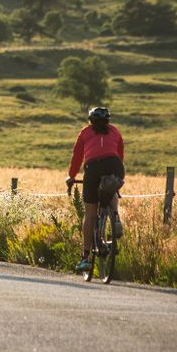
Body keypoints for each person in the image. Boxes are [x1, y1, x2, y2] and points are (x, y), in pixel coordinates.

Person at [65, 106, 125, 272]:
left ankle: (85, 257)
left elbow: (77, 156)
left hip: (93, 168)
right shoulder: (115, 131)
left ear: (90, 121)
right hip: (115, 165)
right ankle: (115, 218)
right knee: (110, 187)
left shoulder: (85, 132)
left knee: (90, 214)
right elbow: (120, 154)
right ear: (108, 121)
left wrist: (71, 175)